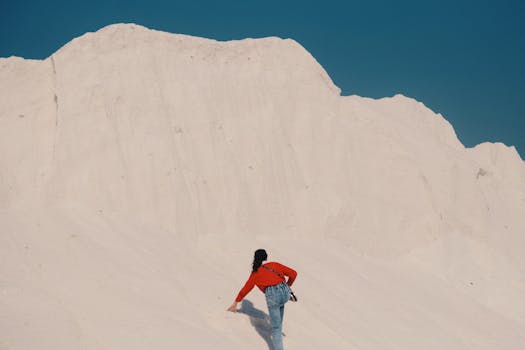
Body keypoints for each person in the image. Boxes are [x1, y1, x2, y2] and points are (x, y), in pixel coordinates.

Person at [227, 249, 297, 350]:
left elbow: (245, 289)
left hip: (273, 296)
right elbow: (294, 274)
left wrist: (236, 302)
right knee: (280, 306)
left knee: (276, 328)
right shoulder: (274, 264)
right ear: (266, 257)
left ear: (255, 259)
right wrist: (287, 286)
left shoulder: (255, 274)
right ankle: (287, 296)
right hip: (284, 292)